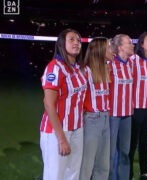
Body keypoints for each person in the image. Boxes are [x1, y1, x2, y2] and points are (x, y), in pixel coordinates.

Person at [40, 29, 87, 180]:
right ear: (62, 44)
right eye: (71, 39)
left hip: (77, 129)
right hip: (58, 131)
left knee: (73, 173)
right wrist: (61, 138)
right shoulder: (54, 68)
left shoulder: (78, 68)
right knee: (55, 175)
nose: (76, 43)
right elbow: (48, 104)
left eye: (78, 40)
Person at [80, 37, 114, 180]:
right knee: (86, 165)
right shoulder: (85, 71)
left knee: (103, 165)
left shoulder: (107, 68)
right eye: (109, 47)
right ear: (100, 51)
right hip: (91, 120)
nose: (112, 50)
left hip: (105, 118)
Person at [129, 32, 147, 179]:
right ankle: (129, 174)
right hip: (135, 109)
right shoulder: (133, 60)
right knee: (132, 146)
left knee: (145, 143)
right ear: (141, 44)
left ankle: (144, 172)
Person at [108, 34, 134, 180]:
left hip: (127, 115)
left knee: (125, 152)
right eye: (129, 43)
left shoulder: (131, 63)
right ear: (119, 47)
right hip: (112, 115)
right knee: (110, 153)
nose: (132, 45)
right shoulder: (109, 63)